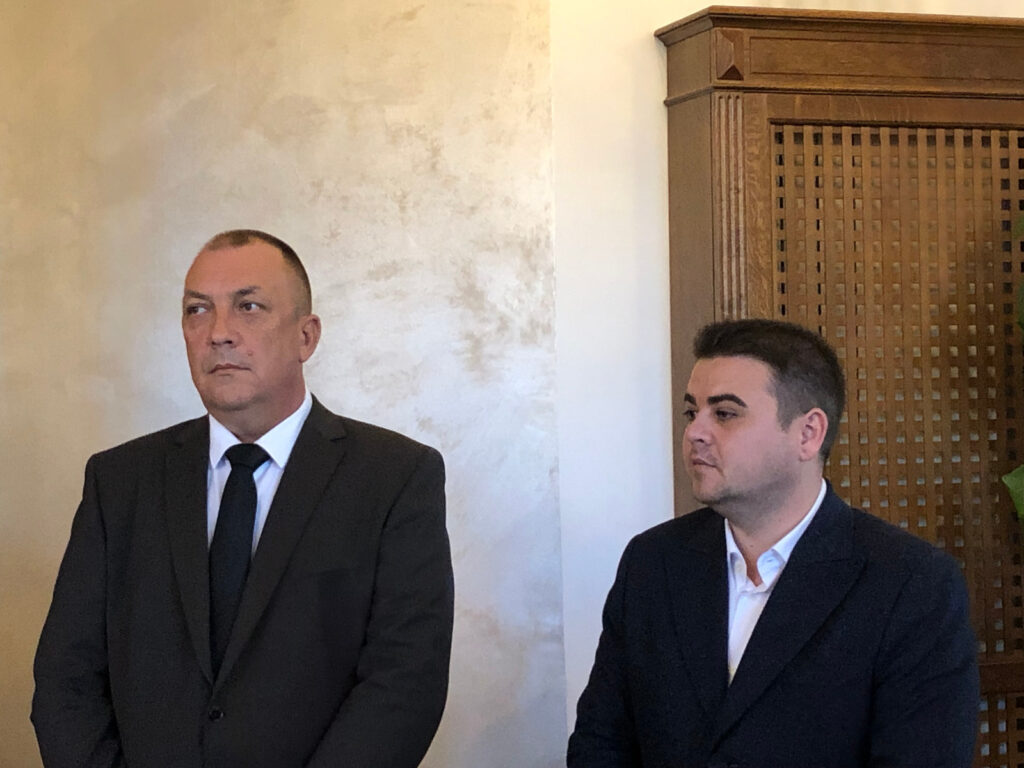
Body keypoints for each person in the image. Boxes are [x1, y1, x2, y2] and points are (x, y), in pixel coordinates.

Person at [32, 230, 454, 768]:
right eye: (197, 310)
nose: (219, 333)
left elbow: (405, 684)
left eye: (248, 307)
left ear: (306, 336)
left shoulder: (395, 477)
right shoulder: (118, 481)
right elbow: (66, 680)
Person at [567, 318, 978, 768]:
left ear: (808, 433)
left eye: (724, 414)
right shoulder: (652, 562)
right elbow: (600, 744)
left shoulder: (911, 583)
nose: (695, 432)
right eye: (691, 413)